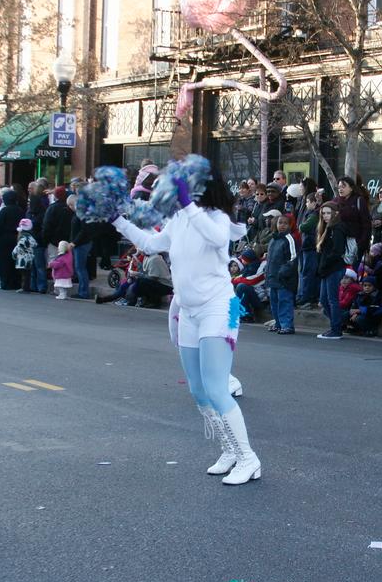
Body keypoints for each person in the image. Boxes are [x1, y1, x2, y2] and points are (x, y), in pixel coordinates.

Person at [111, 167, 262, 485]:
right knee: (198, 389)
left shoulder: (217, 218)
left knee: (217, 388)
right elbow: (151, 244)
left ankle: (249, 459)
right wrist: (117, 219)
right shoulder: (179, 220)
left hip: (222, 308)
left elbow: (219, 237)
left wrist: (187, 205)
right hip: (189, 312)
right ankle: (230, 450)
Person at [315, 202, 348, 340]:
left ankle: (336, 328)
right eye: (323, 213)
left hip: (334, 268)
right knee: (324, 299)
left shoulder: (337, 228)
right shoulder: (327, 228)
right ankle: (337, 323)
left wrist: (325, 264)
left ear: (335, 213)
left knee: (331, 299)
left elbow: (337, 251)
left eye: (328, 213)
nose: (326, 216)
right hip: (327, 268)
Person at [265, 214, 298, 334]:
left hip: (284, 279)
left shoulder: (289, 239)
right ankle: (278, 323)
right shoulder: (274, 239)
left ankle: (287, 325)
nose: (282, 225)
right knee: (274, 302)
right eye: (280, 223)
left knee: (284, 301)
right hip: (273, 277)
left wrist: (283, 272)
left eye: (285, 223)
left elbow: (293, 258)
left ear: (290, 225)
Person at [333, 176, 371, 264]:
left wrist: (361, 243)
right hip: (338, 243)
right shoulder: (335, 201)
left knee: (351, 272)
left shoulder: (359, 200)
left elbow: (366, 224)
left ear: (351, 188)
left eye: (343, 186)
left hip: (354, 243)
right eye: (339, 187)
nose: (340, 189)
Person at [0, 188, 24, 290]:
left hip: (3, 240)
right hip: (16, 238)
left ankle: (5, 283)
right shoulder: (20, 210)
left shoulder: (4, 211)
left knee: (3, 262)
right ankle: (16, 283)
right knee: (14, 261)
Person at [42, 186, 74, 284]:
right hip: (68, 240)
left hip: (54, 241)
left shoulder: (52, 208)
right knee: (67, 263)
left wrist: (45, 239)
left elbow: (47, 226)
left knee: (55, 262)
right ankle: (66, 282)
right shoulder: (70, 208)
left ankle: (58, 285)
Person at [296, 193, 320, 309]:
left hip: (310, 246)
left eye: (308, 202)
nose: (306, 204)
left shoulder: (314, 215)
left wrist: (301, 226)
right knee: (304, 272)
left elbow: (304, 227)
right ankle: (303, 295)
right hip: (305, 246)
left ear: (314, 202)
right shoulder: (309, 213)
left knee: (307, 272)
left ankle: (307, 296)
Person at [27, 181, 50, 294]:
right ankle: (33, 285)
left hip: (38, 241)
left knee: (39, 265)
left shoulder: (41, 213)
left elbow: (40, 226)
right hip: (32, 240)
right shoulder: (31, 212)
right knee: (34, 265)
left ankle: (42, 286)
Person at [12, 218, 38, 293]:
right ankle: (27, 287)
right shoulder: (31, 237)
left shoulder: (23, 238)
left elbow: (18, 247)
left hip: (22, 259)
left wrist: (14, 254)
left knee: (24, 274)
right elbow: (35, 244)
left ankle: (24, 288)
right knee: (28, 274)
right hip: (30, 258)